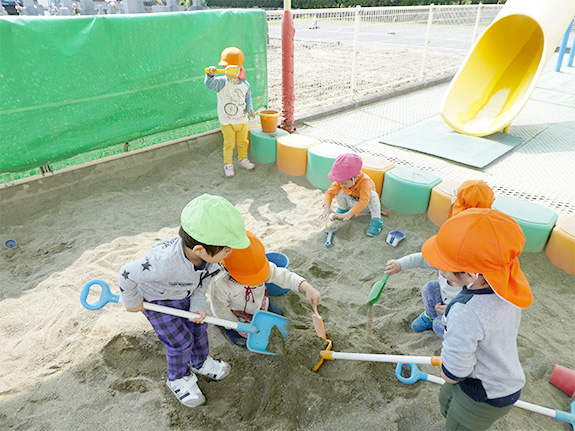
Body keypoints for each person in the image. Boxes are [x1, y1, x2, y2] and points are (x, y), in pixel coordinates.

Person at [118, 193, 250, 408]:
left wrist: (198, 306)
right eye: (226, 248)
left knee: (198, 329)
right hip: (157, 302)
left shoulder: (209, 258)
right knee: (179, 342)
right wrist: (132, 302)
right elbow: (127, 273)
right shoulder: (163, 263)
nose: (230, 252)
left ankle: (199, 361)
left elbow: (202, 281)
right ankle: (178, 378)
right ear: (199, 249)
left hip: (185, 295)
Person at [421, 208, 533, 430]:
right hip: (497, 372)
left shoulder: (465, 311)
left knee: (458, 424)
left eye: (445, 267)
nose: (440, 273)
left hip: (486, 392)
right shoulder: (508, 286)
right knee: (446, 401)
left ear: (472, 275)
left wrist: (448, 371)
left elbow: (455, 372)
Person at [385, 180, 494, 338]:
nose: (440, 271)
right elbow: (424, 259)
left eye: (445, 269)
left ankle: (438, 321)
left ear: (467, 275)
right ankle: (430, 315)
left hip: (461, 313)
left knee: (439, 326)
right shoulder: (451, 248)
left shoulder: (475, 280)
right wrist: (399, 264)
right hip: (446, 299)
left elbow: (476, 307)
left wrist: (451, 309)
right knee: (430, 288)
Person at [210, 230, 321, 347]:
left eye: (257, 275)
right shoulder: (220, 284)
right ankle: (226, 327)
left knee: (280, 316)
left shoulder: (259, 265)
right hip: (235, 314)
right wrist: (239, 326)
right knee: (241, 340)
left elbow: (283, 276)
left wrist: (306, 287)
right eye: (250, 278)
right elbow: (221, 311)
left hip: (260, 306)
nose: (254, 280)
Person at [205, 47, 256, 178]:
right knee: (228, 144)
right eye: (224, 67)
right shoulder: (222, 82)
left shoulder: (245, 84)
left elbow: (248, 98)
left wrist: (250, 108)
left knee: (243, 141)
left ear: (237, 68)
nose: (225, 69)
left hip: (242, 120)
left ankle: (242, 159)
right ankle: (228, 164)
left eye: (227, 67)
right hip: (227, 121)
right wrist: (210, 75)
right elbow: (210, 84)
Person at [320, 153, 383, 237]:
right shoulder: (341, 181)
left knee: (372, 194)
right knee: (339, 190)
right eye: (339, 182)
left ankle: (376, 220)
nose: (341, 184)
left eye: (344, 183)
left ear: (355, 177)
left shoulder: (365, 182)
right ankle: (342, 210)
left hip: (366, 206)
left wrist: (350, 213)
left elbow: (364, 201)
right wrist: (327, 206)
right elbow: (329, 192)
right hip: (352, 204)